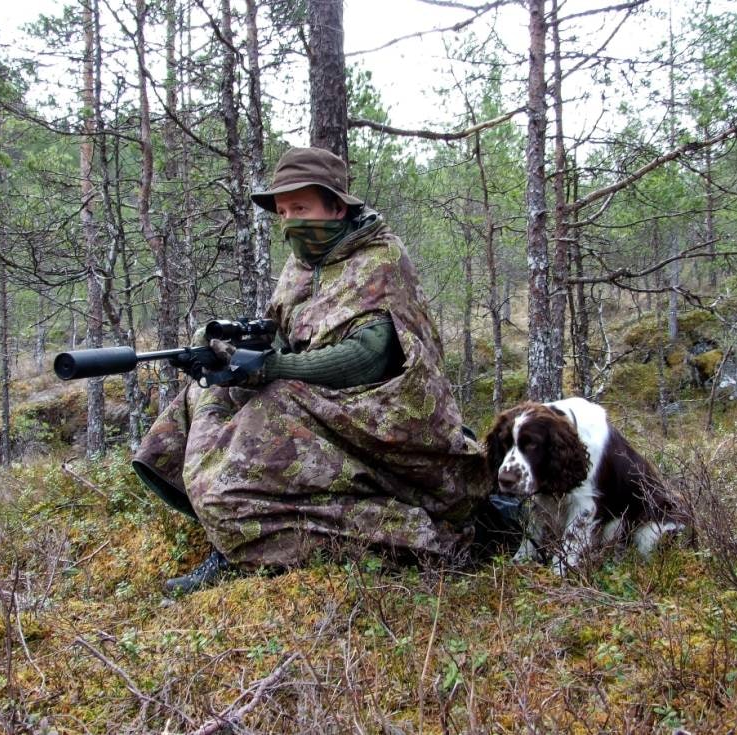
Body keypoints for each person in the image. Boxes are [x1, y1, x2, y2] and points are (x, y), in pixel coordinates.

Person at [132, 146, 489, 593]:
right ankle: (233, 527)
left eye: (300, 207)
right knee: (207, 395)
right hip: (314, 396)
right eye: (282, 211)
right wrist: (233, 353)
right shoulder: (300, 267)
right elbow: (283, 331)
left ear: (336, 206)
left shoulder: (379, 260)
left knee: (273, 405)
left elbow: (369, 357)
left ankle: (418, 535)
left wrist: (274, 367)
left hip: (378, 411)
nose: (289, 221)